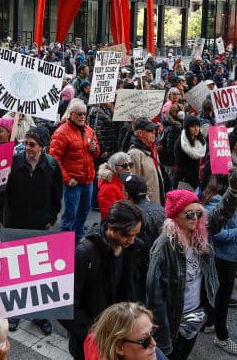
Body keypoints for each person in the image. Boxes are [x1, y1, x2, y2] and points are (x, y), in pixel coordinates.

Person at [147, 179, 237, 360]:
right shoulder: (164, 247)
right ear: (175, 216)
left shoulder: (199, 231)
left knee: (185, 353)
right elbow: (154, 295)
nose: (195, 218)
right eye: (189, 214)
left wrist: (234, 190)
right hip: (175, 319)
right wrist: (163, 336)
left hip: (197, 313)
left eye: (198, 213)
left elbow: (220, 215)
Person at [64, 201, 146, 360]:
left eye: (136, 234)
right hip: (90, 342)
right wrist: (95, 333)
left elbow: (135, 286)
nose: (132, 240)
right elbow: (66, 305)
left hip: (120, 336)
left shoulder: (133, 249)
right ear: (111, 228)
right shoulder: (83, 254)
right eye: (127, 235)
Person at [201, 172, 237, 355]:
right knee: (222, 297)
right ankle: (221, 335)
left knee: (217, 292)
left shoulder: (236, 198)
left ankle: (208, 322)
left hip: (232, 255)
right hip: (222, 256)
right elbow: (216, 234)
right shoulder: (216, 201)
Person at [51, 98, 101, 242]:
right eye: (79, 114)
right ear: (71, 114)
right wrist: (67, 178)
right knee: (70, 214)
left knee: (84, 212)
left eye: (84, 114)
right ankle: (65, 241)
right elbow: (55, 159)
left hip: (88, 179)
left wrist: (95, 149)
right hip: (73, 181)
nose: (82, 117)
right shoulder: (61, 133)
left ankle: (78, 238)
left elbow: (96, 153)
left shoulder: (89, 131)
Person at [84, 301, 168, 360]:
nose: (154, 344)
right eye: (145, 340)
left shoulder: (152, 353)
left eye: (152, 333)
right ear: (119, 347)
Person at [128, 117, 164, 205]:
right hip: (145, 208)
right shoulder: (134, 154)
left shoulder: (151, 149)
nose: (154, 132)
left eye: (154, 129)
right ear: (140, 133)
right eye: (150, 130)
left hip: (156, 204)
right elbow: (131, 186)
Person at [175, 115, 205, 191]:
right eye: (192, 126)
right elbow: (182, 168)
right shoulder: (181, 143)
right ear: (187, 128)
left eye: (197, 125)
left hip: (196, 179)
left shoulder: (200, 140)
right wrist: (195, 183)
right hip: (184, 182)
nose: (196, 129)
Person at [97, 152, 131, 220]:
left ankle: (78, 230)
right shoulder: (108, 188)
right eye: (124, 165)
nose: (128, 168)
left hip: (125, 223)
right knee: (71, 217)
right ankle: (70, 231)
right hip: (116, 226)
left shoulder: (124, 182)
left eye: (130, 165)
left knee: (81, 216)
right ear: (113, 167)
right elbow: (111, 215)